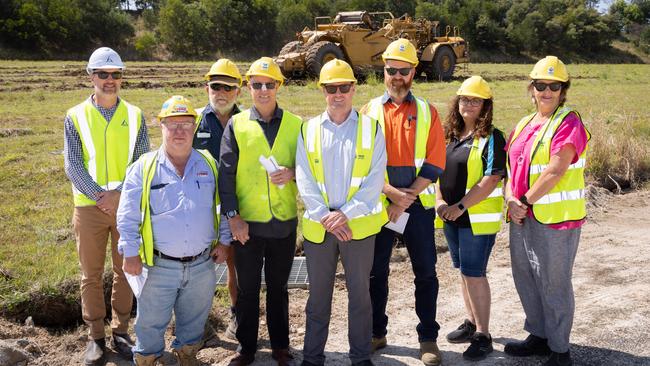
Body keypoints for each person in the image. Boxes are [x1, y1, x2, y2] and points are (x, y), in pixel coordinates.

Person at [117, 95, 230, 366]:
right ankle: (148, 357)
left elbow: (224, 206)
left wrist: (224, 241)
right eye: (172, 124)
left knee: (194, 319)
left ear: (195, 127)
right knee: (150, 322)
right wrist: (130, 252)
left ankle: (187, 355)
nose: (179, 131)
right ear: (161, 126)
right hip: (158, 266)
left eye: (186, 124)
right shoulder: (143, 168)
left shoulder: (209, 165)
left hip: (202, 263)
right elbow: (128, 215)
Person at [296, 59, 387, 366]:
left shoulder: (371, 129)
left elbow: (374, 182)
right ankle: (312, 358)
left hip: (357, 227)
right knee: (318, 300)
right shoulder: (307, 130)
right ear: (322, 90)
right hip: (321, 228)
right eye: (331, 88)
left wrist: (344, 214)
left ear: (353, 89)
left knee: (360, 298)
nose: (338, 94)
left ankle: (360, 358)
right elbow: (304, 178)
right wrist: (326, 216)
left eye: (344, 87)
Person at [361, 38, 446, 366]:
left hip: (418, 209)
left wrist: (404, 199)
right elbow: (362, 165)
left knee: (425, 273)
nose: (397, 76)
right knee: (374, 273)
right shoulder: (368, 111)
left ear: (414, 72)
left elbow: (435, 163)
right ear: (384, 71)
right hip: (380, 206)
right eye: (391, 70)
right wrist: (390, 194)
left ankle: (428, 338)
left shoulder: (427, 112)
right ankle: (376, 332)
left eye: (404, 70)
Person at [63, 46, 148, 366]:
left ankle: (121, 331)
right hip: (89, 207)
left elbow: (141, 162)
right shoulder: (75, 116)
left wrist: (119, 195)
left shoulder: (136, 115)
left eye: (115, 74)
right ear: (91, 76)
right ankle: (95, 337)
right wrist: (101, 196)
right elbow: (73, 164)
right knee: (91, 274)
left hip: (126, 206)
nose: (110, 80)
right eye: (103, 74)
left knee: (126, 269)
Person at [504, 56, 590, 366]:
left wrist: (523, 201)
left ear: (563, 90)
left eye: (554, 86)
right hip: (522, 215)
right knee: (526, 275)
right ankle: (539, 336)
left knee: (554, 282)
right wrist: (510, 199)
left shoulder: (569, 121)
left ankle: (559, 348)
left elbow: (556, 170)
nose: (547, 91)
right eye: (541, 85)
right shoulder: (527, 123)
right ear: (532, 88)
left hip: (556, 220)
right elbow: (511, 167)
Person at [219, 57, 302, 366]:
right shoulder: (236, 126)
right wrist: (233, 217)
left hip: (283, 223)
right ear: (248, 87)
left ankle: (281, 348)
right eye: (257, 85)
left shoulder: (296, 124)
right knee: (247, 289)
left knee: (279, 289)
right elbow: (225, 176)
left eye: (270, 84)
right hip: (247, 227)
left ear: (278, 86)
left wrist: (292, 173)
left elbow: (310, 169)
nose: (264, 90)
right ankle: (247, 348)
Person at [434, 76, 506, 361]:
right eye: (465, 99)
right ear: (457, 102)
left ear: (485, 105)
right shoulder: (450, 135)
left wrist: (460, 206)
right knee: (464, 272)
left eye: (476, 100)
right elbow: (437, 169)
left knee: (475, 275)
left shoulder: (492, 137)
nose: (469, 104)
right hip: (451, 218)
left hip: (474, 218)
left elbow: (491, 179)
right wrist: (440, 201)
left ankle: (483, 335)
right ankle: (471, 322)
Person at [193, 58, 242, 340]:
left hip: (235, 207)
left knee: (236, 265)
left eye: (228, 87)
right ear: (206, 88)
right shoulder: (195, 120)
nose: (221, 92)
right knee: (198, 271)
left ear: (238, 90)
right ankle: (197, 324)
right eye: (216, 86)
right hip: (202, 209)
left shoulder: (246, 122)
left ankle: (237, 315)